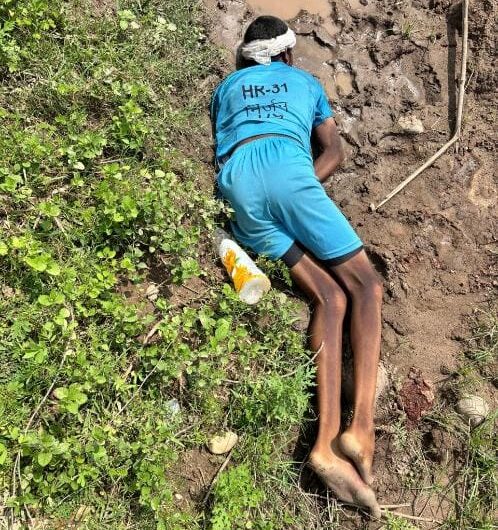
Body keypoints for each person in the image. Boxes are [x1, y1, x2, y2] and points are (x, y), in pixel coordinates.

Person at [210, 15, 383, 518]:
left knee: (329, 296)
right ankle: (361, 427)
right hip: (288, 171)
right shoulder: (305, 82)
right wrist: (301, 187)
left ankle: (324, 446)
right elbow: (335, 151)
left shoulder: (226, 88)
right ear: (287, 55)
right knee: (366, 287)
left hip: (237, 188)